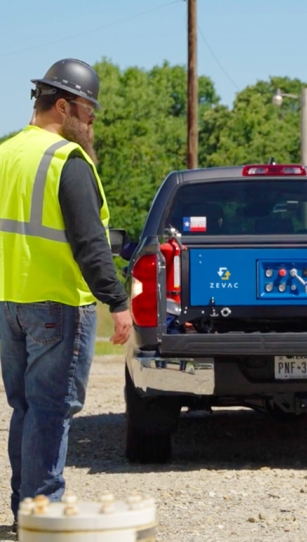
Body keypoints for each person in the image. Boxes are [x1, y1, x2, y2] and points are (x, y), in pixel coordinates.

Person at [0, 58, 132, 527]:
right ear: (62, 105)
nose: (93, 118)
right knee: (51, 412)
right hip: (58, 304)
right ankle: (43, 517)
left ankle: (25, 511)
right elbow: (89, 244)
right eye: (88, 108)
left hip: (10, 302)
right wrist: (118, 302)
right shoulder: (67, 160)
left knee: (27, 408)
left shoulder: (7, 152)